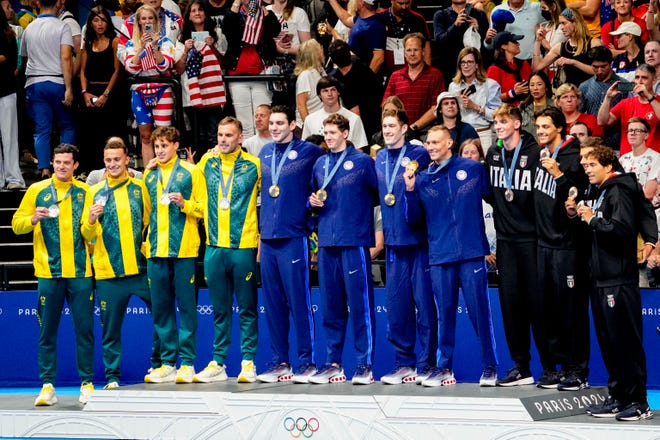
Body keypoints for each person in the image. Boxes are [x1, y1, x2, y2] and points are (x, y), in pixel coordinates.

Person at [404, 125, 498, 387]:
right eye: (428, 143)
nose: (431, 147)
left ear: (449, 143)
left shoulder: (473, 169)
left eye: (435, 142)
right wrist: (410, 190)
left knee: (479, 312)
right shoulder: (421, 179)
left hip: (471, 254)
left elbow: (496, 201)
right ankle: (444, 368)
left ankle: (490, 366)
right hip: (440, 256)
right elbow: (412, 220)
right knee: (444, 315)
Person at [571, 146, 655, 421]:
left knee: (625, 342)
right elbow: (644, 214)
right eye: (584, 164)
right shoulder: (602, 190)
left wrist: (592, 219)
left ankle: (638, 402)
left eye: (592, 163)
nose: (587, 168)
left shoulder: (618, 190)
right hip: (601, 277)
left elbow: (620, 231)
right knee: (610, 342)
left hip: (618, 278)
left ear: (608, 166)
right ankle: (619, 396)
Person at [12, 144, 94, 406]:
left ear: (75, 166)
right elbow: (16, 225)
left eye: (66, 162)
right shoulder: (36, 191)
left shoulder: (85, 192)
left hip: (80, 273)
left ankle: (87, 383)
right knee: (47, 332)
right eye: (57, 162)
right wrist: (32, 219)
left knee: (84, 331)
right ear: (52, 163)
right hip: (48, 273)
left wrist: (92, 222)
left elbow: (90, 235)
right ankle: (47, 385)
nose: (61, 166)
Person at [81, 137, 160, 389]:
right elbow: (86, 234)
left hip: (141, 269)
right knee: (110, 331)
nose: (113, 164)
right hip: (108, 273)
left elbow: (151, 223)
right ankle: (112, 377)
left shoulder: (140, 188)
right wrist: (92, 221)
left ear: (127, 159)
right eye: (108, 160)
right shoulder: (93, 192)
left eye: (117, 159)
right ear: (103, 163)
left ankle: (159, 366)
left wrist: (147, 247)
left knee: (162, 317)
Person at [308, 113, 379, 385]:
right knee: (331, 307)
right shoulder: (319, 164)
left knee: (360, 306)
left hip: (354, 241)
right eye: (325, 133)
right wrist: (311, 201)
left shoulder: (362, 162)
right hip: (327, 243)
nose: (328, 137)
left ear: (346, 133)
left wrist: (357, 216)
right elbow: (312, 197)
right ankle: (333, 363)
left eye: (333, 132)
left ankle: (364, 365)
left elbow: (377, 195)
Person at [256, 105, 324, 384]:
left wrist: (314, 201)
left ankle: (306, 362)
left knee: (299, 302)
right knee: (273, 305)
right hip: (269, 238)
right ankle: (280, 361)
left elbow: (325, 178)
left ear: (293, 124)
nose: (273, 127)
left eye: (279, 123)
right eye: (271, 123)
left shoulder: (310, 152)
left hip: (294, 237)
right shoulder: (264, 153)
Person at [193, 117, 261, 383]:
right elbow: (192, 191)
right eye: (220, 135)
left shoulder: (254, 165)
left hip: (242, 247)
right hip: (213, 248)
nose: (223, 140)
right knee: (219, 309)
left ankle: (248, 362)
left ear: (240, 138)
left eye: (229, 135)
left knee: (247, 308)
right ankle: (218, 363)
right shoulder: (206, 163)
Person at [374, 109, 437, 385]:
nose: (387, 130)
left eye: (392, 125)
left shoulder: (418, 153)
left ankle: (426, 363)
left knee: (424, 307)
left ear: (404, 127)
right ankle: (404, 364)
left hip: (418, 243)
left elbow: (422, 157)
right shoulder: (378, 158)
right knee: (397, 308)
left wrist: (412, 157)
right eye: (384, 125)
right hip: (393, 245)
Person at [486, 104, 544, 386]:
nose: (498, 126)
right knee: (511, 307)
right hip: (506, 242)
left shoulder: (533, 154)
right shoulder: (493, 154)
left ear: (518, 123)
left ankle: (551, 367)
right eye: (496, 122)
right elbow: (490, 194)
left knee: (538, 306)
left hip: (531, 241)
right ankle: (521, 366)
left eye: (503, 121)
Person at [533, 106, 591, 390]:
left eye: (546, 127)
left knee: (571, 310)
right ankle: (555, 367)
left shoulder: (575, 155)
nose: (541, 132)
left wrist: (558, 174)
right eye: (538, 127)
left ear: (559, 127)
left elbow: (581, 196)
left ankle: (577, 370)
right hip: (543, 243)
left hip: (568, 245)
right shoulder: (540, 154)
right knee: (549, 309)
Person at [142, 126, 204, 384]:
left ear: (176, 145)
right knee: (161, 309)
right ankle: (168, 363)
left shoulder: (192, 172)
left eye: (165, 146)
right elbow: (145, 214)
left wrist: (185, 204)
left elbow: (205, 209)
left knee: (187, 308)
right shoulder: (149, 175)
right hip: (156, 250)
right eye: (157, 147)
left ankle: (187, 363)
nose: (160, 151)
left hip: (184, 250)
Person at [20, 0, 75, 179]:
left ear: (37, 4)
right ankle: (65, 166)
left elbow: (26, 59)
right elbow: (66, 58)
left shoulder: (29, 28)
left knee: (41, 129)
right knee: (66, 126)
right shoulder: (62, 27)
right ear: (57, 4)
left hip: (34, 83)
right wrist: (69, 87)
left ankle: (44, 169)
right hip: (57, 81)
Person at [122, 4, 177, 165]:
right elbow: (130, 68)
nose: (147, 21)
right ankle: (148, 173)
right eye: (144, 18)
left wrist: (154, 47)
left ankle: (165, 171)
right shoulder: (131, 44)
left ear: (156, 20)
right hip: (139, 90)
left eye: (150, 18)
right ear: (138, 22)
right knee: (145, 136)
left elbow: (165, 65)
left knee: (162, 136)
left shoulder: (165, 41)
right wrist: (140, 49)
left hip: (161, 89)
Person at [175, 0, 227, 157]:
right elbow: (178, 69)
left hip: (212, 93)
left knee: (213, 134)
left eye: (200, 10)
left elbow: (223, 63)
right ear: (189, 16)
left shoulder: (217, 34)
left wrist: (212, 47)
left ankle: (215, 166)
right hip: (192, 94)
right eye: (193, 11)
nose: (197, 13)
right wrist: (185, 50)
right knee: (197, 136)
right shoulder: (182, 38)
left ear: (206, 13)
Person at [223, 0, 282, 138]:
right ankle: (249, 155)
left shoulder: (265, 13)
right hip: (237, 75)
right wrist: (236, 3)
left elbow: (275, 30)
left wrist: (262, 9)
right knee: (245, 124)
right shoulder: (233, 13)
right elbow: (228, 30)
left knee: (263, 120)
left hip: (261, 73)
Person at [78, 5, 123, 174]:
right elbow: (82, 71)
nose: (100, 24)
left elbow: (117, 71)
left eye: (103, 20)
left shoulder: (115, 42)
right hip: (90, 92)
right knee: (89, 134)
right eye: (96, 20)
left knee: (109, 134)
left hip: (110, 93)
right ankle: (89, 171)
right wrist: (84, 92)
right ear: (90, 23)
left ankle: (110, 170)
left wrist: (106, 94)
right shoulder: (88, 43)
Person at [382, 32, 445, 130]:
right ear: (404, 53)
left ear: (423, 52)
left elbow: (436, 108)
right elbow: (386, 106)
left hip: (426, 132)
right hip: (399, 131)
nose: (412, 54)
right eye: (409, 50)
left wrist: (413, 128)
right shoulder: (395, 76)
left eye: (416, 50)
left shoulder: (435, 75)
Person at [447, 46, 502, 150]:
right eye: (462, 62)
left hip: (481, 134)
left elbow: (497, 116)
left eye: (469, 62)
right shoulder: (453, 86)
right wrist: (456, 105)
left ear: (477, 65)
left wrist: (476, 107)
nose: (466, 66)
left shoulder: (490, 85)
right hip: (458, 135)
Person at [597, 64, 660, 155]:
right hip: (627, 159)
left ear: (654, 80)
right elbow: (602, 122)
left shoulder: (657, 102)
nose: (640, 81)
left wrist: (649, 96)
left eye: (644, 78)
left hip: (653, 159)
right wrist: (608, 98)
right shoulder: (626, 103)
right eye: (637, 77)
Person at [328, 39, 383, 140]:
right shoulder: (335, 78)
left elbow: (355, 112)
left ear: (332, 60)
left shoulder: (360, 75)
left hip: (368, 126)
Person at [459, 138, 497, 276]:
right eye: (465, 152)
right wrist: (483, 252)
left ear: (480, 155)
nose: (469, 156)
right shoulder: (457, 189)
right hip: (474, 251)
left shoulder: (489, 183)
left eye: (473, 152)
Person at [532, 7, 595, 88]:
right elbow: (536, 69)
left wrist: (573, 62)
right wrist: (538, 41)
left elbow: (598, 72)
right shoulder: (560, 47)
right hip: (569, 96)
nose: (561, 27)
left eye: (564, 23)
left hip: (590, 92)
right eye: (560, 24)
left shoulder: (593, 43)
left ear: (575, 22)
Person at [301, 76, 368, 149]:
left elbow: (359, 149)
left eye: (333, 90)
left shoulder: (354, 118)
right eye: (325, 91)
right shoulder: (310, 119)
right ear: (319, 95)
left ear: (338, 92)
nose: (329, 94)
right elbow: (306, 149)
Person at [433, 0, 490, 84]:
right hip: (451, 71)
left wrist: (478, 30)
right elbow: (439, 42)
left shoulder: (480, 14)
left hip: (477, 71)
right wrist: (455, 25)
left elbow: (488, 45)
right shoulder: (441, 15)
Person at [0, 8, 25, 189]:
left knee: (9, 135)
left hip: (5, 89)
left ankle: (13, 178)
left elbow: (5, 58)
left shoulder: (7, 34)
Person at [326, 0, 386, 74]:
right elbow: (346, 19)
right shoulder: (361, 19)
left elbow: (379, 57)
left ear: (362, 3)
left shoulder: (374, 25)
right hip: (355, 72)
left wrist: (366, 80)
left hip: (362, 75)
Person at [380, 0, 431, 74]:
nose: (404, 7)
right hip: (385, 72)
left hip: (413, 72)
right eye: (400, 3)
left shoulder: (418, 19)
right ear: (392, 1)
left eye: (407, 3)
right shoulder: (380, 18)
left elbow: (427, 51)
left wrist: (426, 74)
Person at [487, 31, 532, 106]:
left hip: (528, 108)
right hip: (506, 112)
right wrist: (513, 93)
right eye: (514, 41)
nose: (518, 44)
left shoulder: (524, 64)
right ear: (504, 46)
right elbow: (491, 98)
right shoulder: (494, 69)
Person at [294, 39, 325, 126]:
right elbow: (301, 105)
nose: (323, 50)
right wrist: (309, 127)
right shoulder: (305, 75)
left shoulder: (321, 71)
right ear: (315, 54)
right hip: (307, 126)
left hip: (321, 123)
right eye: (320, 48)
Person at [520, 71, 555, 137]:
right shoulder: (523, 107)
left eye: (539, 84)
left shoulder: (555, 106)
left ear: (546, 87)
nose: (535, 88)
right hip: (528, 145)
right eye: (532, 85)